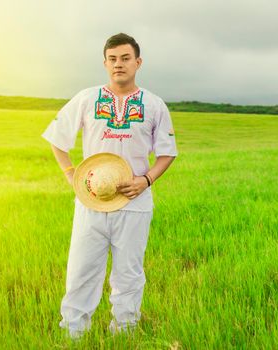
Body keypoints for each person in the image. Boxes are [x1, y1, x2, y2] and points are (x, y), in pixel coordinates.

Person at [41, 32, 178, 339]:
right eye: (113, 59)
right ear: (105, 63)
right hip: (91, 202)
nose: (119, 64)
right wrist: (70, 176)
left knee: (128, 273)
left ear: (138, 62)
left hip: (135, 204)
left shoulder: (154, 105)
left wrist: (146, 180)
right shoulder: (87, 98)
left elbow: (167, 153)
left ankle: (124, 333)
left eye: (125, 58)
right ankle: (73, 334)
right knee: (81, 270)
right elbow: (57, 138)